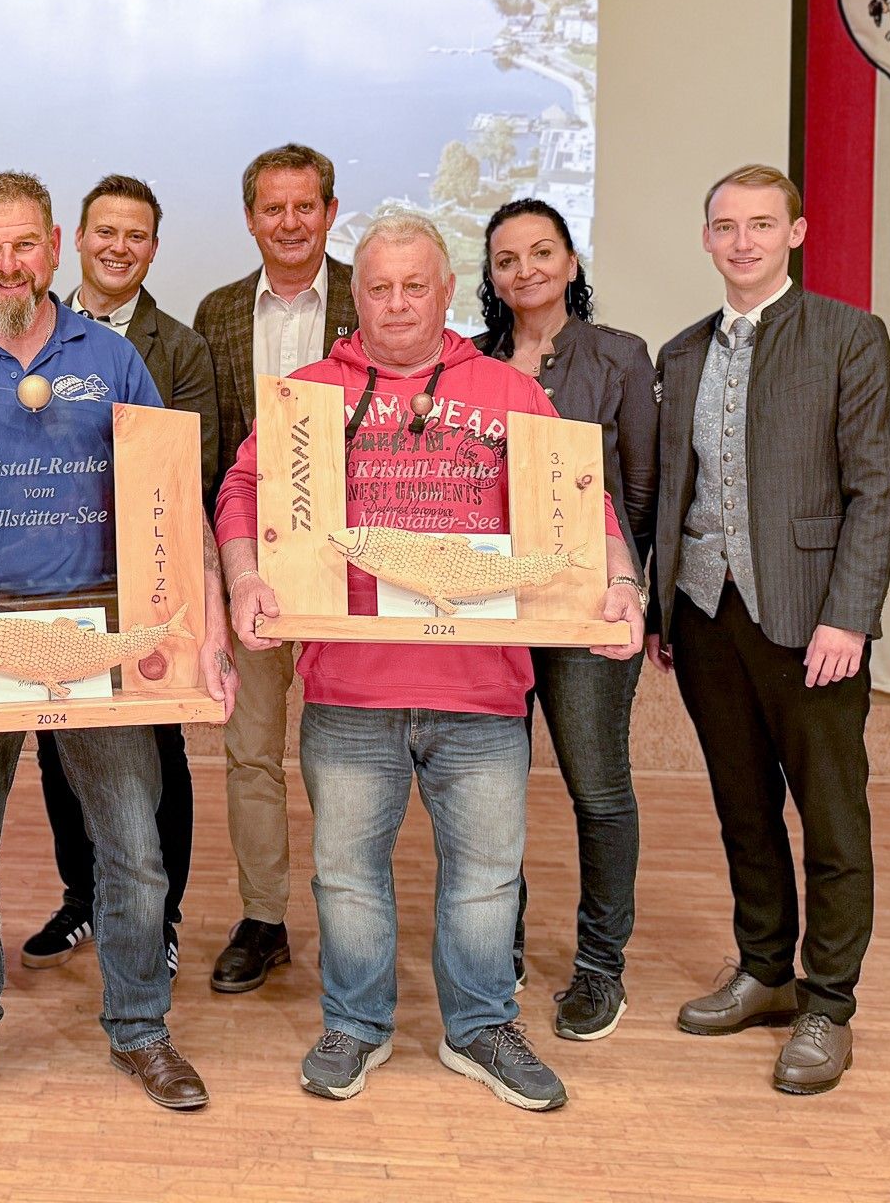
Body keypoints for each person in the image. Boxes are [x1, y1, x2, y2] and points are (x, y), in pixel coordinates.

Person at [217, 211, 644, 1113]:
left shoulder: (509, 391)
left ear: (448, 292)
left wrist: (619, 581)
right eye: (380, 287)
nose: (399, 303)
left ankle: (480, 1026)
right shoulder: (308, 395)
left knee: (486, 878)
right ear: (356, 294)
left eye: (417, 285)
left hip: (482, 692)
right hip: (350, 688)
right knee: (345, 876)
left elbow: (580, 501)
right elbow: (245, 487)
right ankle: (357, 1023)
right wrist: (247, 576)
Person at [0, 170, 239, 1135]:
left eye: (25, 244)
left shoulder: (109, 359)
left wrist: (213, 634)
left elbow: (171, 502)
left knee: (136, 856)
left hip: (98, 637)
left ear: (55, 245)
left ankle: (141, 1025)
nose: (9, 264)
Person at [652, 164, 890, 1095]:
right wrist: (658, 603)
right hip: (707, 617)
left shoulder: (849, 337)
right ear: (708, 238)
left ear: (796, 232)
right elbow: (669, 495)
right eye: (726, 226)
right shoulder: (680, 354)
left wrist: (851, 615)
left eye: (763, 224)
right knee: (743, 809)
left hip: (813, 622)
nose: (743, 241)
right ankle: (764, 970)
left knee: (832, 815)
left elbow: (875, 488)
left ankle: (827, 1002)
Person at [24, 175, 218, 979]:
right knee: (55, 741)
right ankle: (85, 897)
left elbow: (192, 466)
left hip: (143, 584)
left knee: (155, 749)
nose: (118, 247)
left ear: (153, 248)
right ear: (78, 237)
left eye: (136, 235)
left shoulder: (180, 346)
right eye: (106, 231)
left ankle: (157, 913)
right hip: (45, 582)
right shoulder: (30, 334)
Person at [476, 199, 655, 1040]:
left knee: (597, 787)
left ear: (572, 262)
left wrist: (631, 589)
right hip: (491, 610)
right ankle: (496, 946)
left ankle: (599, 966)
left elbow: (641, 492)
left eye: (541, 253)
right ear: (491, 276)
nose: (525, 271)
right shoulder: (468, 364)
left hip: (585, 608)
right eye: (507, 259)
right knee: (490, 789)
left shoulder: (620, 358)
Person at [191, 143, 358, 992]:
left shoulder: (375, 298)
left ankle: (348, 915)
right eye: (272, 209)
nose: (289, 224)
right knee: (251, 752)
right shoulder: (217, 312)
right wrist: (221, 573)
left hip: (351, 574)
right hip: (250, 565)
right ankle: (264, 919)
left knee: (346, 754)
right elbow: (213, 452)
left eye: (305, 207)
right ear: (251, 217)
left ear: (330, 212)